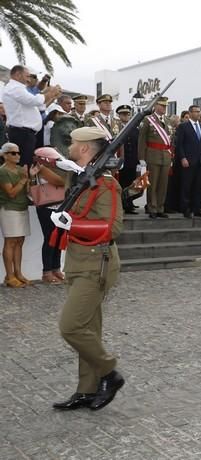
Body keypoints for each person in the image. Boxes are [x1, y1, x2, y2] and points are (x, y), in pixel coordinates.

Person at [50, 126, 125, 411]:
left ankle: (110, 372)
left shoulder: (106, 184)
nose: (68, 146)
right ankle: (87, 390)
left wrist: (73, 224)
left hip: (97, 264)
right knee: (88, 329)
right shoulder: (83, 178)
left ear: (83, 148)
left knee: (70, 326)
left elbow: (114, 227)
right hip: (79, 261)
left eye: (71, 143)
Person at [4, 65, 61, 166]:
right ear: (17, 75)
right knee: (24, 165)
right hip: (21, 133)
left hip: (25, 134)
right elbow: (34, 101)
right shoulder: (14, 88)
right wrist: (51, 92)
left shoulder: (20, 88)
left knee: (28, 163)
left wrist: (51, 95)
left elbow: (40, 107)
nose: (29, 79)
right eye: (27, 76)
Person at [31, 147, 68, 283]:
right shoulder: (42, 168)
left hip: (60, 206)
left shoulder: (57, 168)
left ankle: (56, 268)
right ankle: (47, 271)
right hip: (47, 207)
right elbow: (60, 181)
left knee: (59, 237)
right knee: (50, 238)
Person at [0, 142, 31, 287]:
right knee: (11, 242)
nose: (17, 155)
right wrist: (24, 179)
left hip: (22, 207)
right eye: (13, 153)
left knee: (19, 241)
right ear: (4, 155)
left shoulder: (20, 170)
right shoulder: (3, 171)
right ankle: (9, 275)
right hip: (9, 209)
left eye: (18, 152)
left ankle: (18, 273)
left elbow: (27, 190)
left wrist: (30, 177)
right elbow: (11, 193)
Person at [138, 97, 172, 218]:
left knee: (163, 183)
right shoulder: (148, 120)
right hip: (153, 155)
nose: (164, 108)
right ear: (155, 106)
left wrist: (171, 156)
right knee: (153, 183)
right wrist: (141, 157)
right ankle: (152, 207)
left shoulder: (168, 121)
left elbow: (170, 140)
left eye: (165, 106)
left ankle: (160, 207)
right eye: (162, 106)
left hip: (166, 156)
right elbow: (142, 139)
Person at [175, 105, 201, 218]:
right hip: (189, 161)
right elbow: (179, 144)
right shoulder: (183, 126)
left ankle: (197, 208)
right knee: (187, 185)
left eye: (199, 112)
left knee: (199, 186)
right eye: (196, 112)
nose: (198, 114)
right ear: (190, 113)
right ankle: (186, 208)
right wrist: (182, 158)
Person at [115, 105, 139, 214]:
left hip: (132, 159)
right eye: (123, 114)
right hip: (122, 159)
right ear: (119, 115)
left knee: (131, 182)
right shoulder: (117, 128)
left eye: (127, 114)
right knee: (122, 182)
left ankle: (130, 202)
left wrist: (139, 160)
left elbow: (137, 144)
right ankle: (122, 203)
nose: (126, 116)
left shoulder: (134, 128)